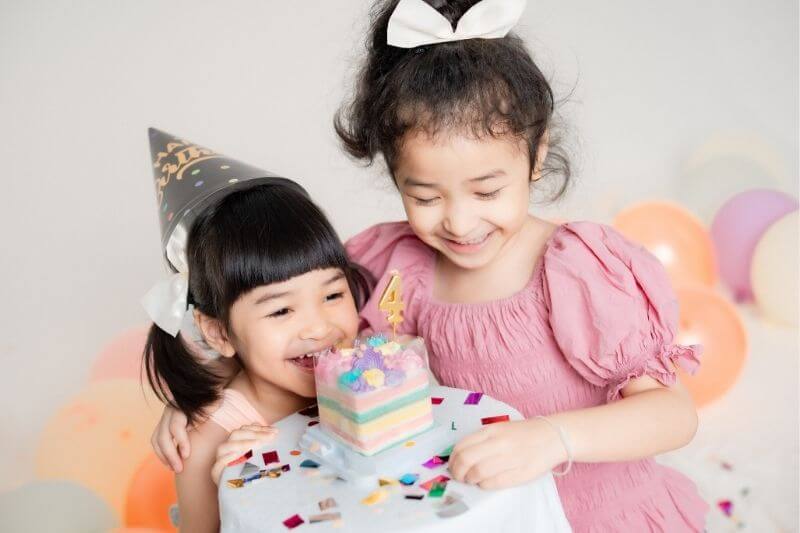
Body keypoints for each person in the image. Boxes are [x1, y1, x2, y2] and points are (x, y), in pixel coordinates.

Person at [153, 0, 710, 528]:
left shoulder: (576, 272)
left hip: (595, 519)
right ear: (395, 177)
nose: (460, 224)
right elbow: (305, 340)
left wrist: (552, 439)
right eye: (425, 197)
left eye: (487, 191)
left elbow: (673, 414)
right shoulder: (394, 268)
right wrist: (211, 406)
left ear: (536, 157)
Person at [141, 129, 370, 532]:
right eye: (281, 309)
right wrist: (242, 499)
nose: (319, 327)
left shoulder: (368, 374)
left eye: (333, 295)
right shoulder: (205, 446)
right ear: (218, 333)